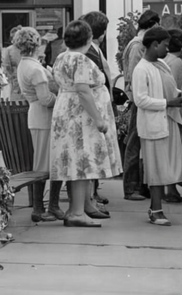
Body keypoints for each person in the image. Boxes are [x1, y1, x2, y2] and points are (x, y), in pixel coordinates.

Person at [50, 20, 123, 227]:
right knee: (82, 162)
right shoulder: (81, 60)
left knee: (73, 161)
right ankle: (76, 213)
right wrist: (99, 119)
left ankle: (79, 208)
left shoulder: (62, 57)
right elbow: (83, 90)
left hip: (65, 111)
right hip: (80, 117)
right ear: (89, 39)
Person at [132, 27, 182, 226]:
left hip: (168, 120)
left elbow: (168, 86)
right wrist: (167, 103)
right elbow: (141, 100)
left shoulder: (162, 63)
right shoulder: (141, 69)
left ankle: (157, 208)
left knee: (167, 167)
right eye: (165, 45)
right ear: (154, 45)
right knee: (156, 169)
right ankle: (156, 210)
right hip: (154, 126)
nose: (167, 48)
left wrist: (178, 95)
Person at [13, 27, 65, 223]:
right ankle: (42, 207)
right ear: (36, 45)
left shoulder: (25, 65)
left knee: (45, 162)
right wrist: (61, 97)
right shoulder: (35, 69)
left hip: (36, 115)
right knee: (45, 163)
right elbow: (45, 99)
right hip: (44, 116)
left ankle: (46, 206)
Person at [121, 9, 161, 201]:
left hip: (139, 99)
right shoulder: (138, 46)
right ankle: (131, 187)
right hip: (139, 100)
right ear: (152, 25)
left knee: (137, 142)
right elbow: (134, 75)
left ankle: (138, 185)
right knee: (134, 142)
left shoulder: (137, 44)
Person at [80, 10, 115, 206]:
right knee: (92, 150)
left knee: (96, 150)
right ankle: (89, 198)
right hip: (93, 110)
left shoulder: (94, 50)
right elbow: (85, 88)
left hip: (99, 106)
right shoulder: (88, 53)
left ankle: (92, 193)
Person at [161, 28, 182, 204]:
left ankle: (165, 189)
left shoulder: (159, 61)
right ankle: (171, 189)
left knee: (164, 153)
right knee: (174, 152)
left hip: (160, 111)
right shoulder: (177, 62)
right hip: (175, 111)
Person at [2, 25, 24, 101]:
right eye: (12, 37)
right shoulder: (9, 50)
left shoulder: (27, 48)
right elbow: (6, 67)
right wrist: (12, 78)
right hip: (15, 84)